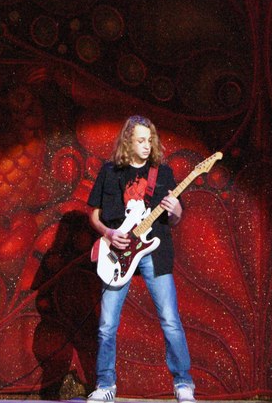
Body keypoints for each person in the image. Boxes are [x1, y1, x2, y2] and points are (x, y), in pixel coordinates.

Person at [86, 115, 195, 403]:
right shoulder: (110, 172)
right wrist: (109, 233)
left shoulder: (164, 173)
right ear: (128, 142)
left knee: (170, 320)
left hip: (154, 252)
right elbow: (93, 215)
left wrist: (176, 212)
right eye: (141, 141)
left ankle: (183, 384)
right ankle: (105, 385)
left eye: (150, 140)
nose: (147, 146)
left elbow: (174, 220)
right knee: (107, 324)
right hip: (117, 253)